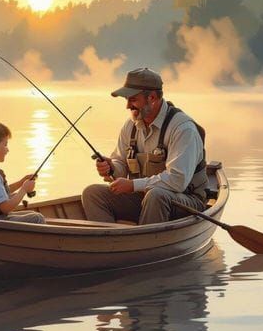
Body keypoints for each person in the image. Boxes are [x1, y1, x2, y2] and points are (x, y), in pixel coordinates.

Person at [81, 67, 209, 225]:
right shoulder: (130, 125)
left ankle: (142, 242)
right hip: (144, 197)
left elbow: (177, 180)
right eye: (126, 100)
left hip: (187, 201)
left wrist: (133, 185)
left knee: (156, 195)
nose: (127, 106)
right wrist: (111, 168)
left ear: (153, 97)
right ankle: (108, 242)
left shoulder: (183, 129)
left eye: (133, 99)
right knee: (92, 193)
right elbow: (120, 162)